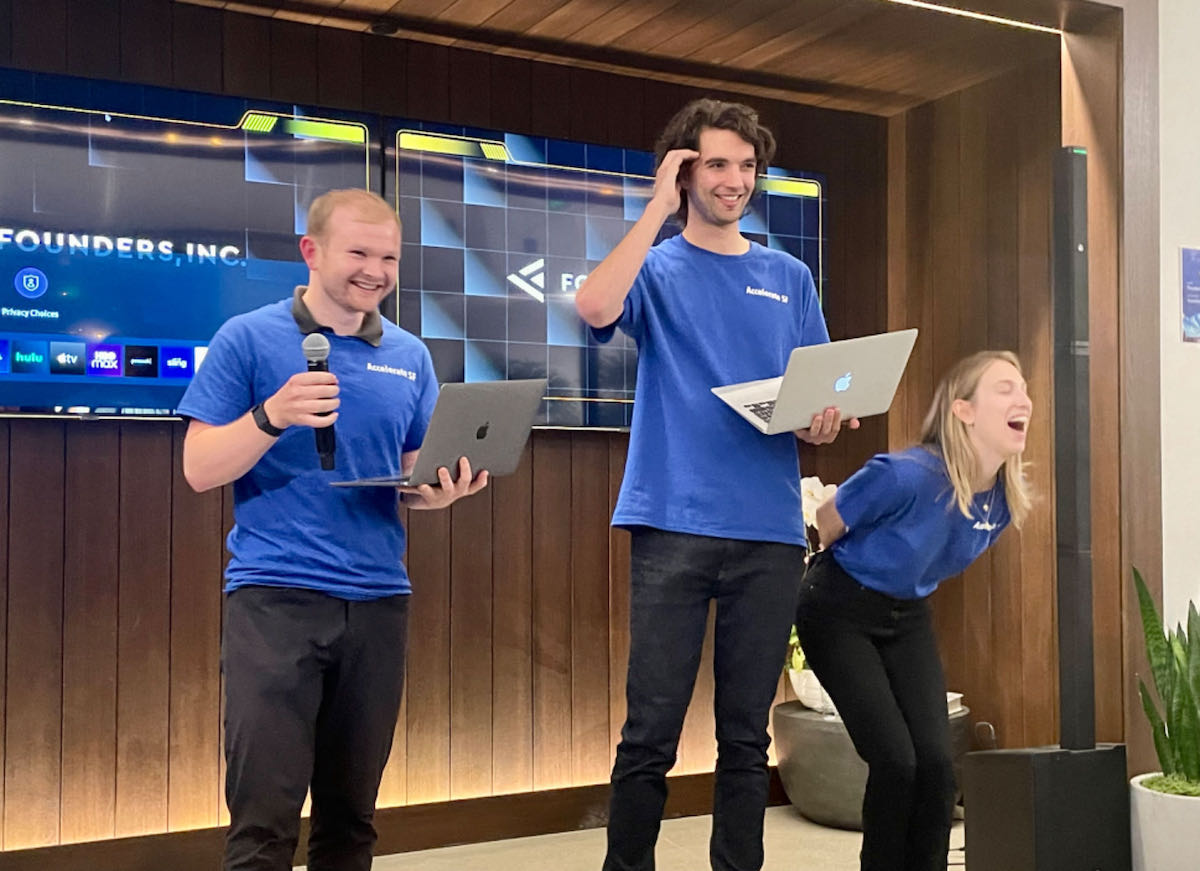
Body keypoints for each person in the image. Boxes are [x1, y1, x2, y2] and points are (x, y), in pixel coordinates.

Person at [575, 98, 855, 871]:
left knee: (745, 736)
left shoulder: (788, 275)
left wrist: (823, 421)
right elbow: (593, 305)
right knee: (650, 731)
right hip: (672, 521)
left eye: (747, 165)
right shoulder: (656, 266)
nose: (735, 180)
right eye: (717, 164)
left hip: (768, 530)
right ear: (684, 171)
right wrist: (655, 207)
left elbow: (816, 406)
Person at [179, 188, 487, 871]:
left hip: (379, 601)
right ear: (311, 252)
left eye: (389, 258)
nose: (375, 271)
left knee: (351, 821)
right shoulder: (246, 338)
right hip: (275, 598)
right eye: (359, 253)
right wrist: (272, 415)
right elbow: (199, 469)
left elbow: (411, 477)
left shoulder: (410, 355)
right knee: (263, 823)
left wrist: (441, 491)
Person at [794, 350, 1034, 871]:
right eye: (1004, 388)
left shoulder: (1002, 501)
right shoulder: (905, 475)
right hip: (837, 610)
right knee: (896, 763)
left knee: (938, 767)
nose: (1024, 399)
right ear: (963, 410)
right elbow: (828, 521)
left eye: (1024, 389)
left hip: (906, 614)